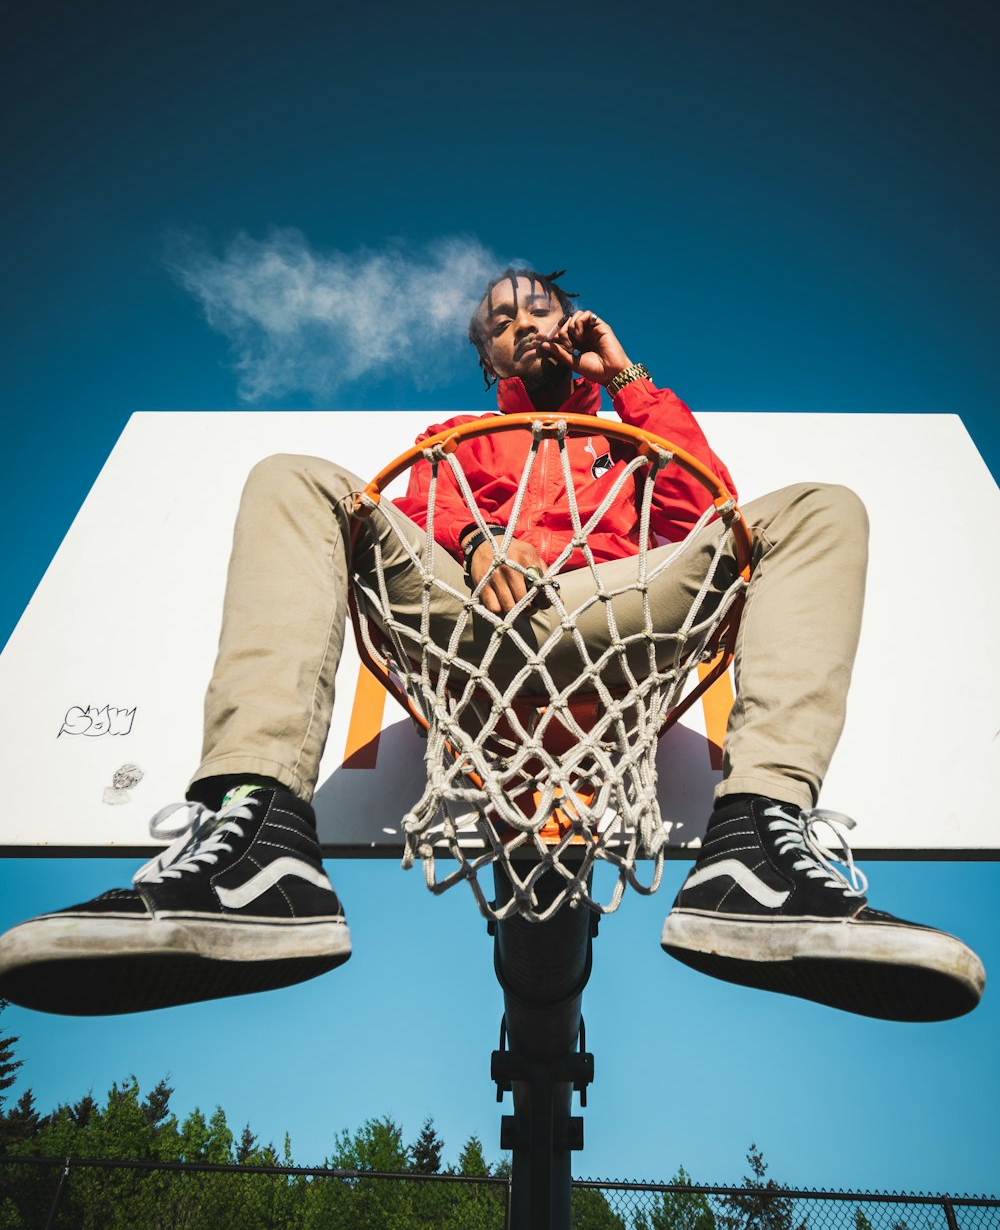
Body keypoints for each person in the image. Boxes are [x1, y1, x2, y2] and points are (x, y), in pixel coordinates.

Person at [0, 268, 984, 1022]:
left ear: (576, 328)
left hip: (612, 619)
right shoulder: (465, 434)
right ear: (490, 361)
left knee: (816, 509)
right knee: (295, 477)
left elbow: (706, 512)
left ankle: (757, 850)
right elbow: (415, 503)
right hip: (468, 624)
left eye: (541, 308)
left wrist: (627, 376)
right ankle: (254, 842)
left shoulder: (633, 434)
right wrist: (474, 542)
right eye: (501, 321)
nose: (524, 324)